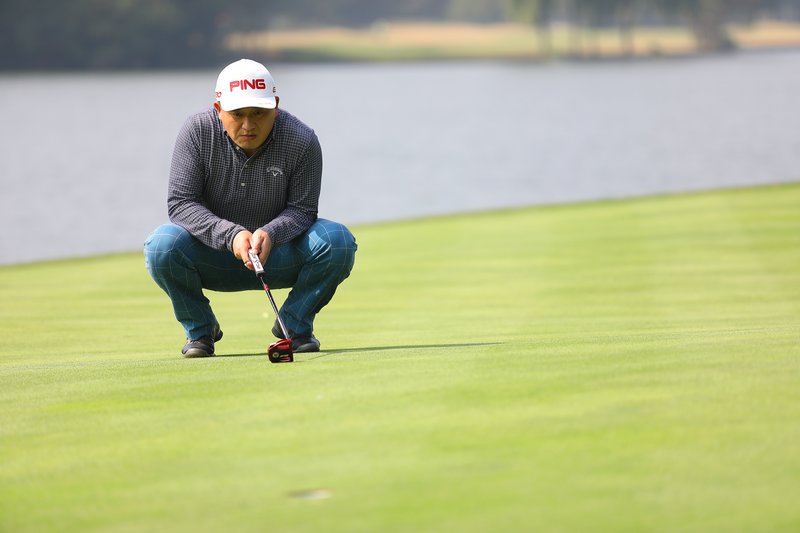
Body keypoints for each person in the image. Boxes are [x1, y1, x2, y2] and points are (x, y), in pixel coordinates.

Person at [144, 59, 357, 358]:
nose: (248, 125)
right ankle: (201, 331)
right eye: (237, 114)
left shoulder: (301, 139)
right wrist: (231, 235)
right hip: (211, 255)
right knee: (161, 246)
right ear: (218, 109)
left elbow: (303, 209)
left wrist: (271, 232)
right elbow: (181, 203)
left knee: (338, 242)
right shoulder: (197, 132)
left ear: (276, 107)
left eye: (258, 113)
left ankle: (294, 326)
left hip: (278, 255)